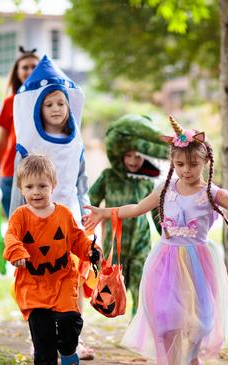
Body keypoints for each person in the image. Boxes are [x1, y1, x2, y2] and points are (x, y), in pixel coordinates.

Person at [83, 116, 228, 365]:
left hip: (199, 261)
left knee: (201, 320)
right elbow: (136, 208)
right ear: (172, 163)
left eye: (193, 164)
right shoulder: (165, 190)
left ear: (206, 162)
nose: (186, 170)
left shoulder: (211, 193)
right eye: (180, 164)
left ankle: (190, 357)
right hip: (165, 261)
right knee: (165, 317)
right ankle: (170, 360)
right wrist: (104, 212)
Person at [9, 55, 95, 360]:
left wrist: (86, 208)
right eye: (49, 104)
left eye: (61, 103)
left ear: (69, 105)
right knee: (39, 281)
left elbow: (81, 178)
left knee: (73, 277)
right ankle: (40, 338)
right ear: (38, 108)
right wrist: (15, 229)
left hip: (69, 215)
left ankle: (73, 341)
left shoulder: (74, 141)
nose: (56, 109)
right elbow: (20, 187)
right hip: (35, 221)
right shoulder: (30, 141)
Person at [4, 154, 101, 365]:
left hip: (62, 279)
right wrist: (17, 252)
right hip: (33, 284)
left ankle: (67, 351)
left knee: (70, 321)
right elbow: (11, 238)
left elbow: (77, 239)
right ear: (21, 188)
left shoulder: (63, 214)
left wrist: (91, 250)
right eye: (29, 187)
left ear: (53, 185)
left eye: (42, 186)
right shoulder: (20, 217)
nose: (36, 192)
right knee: (43, 340)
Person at [87, 114, 169, 315]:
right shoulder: (108, 177)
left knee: (141, 283)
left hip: (141, 241)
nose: (134, 160)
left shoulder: (147, 183)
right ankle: (112, 308)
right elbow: (92, 200)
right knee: (113, 282)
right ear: (121, 155)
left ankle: (139, 322)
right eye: (129, 155)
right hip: (115, 243)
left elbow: (156, 213)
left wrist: (167, 234)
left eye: (138, 156)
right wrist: (86, 223)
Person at [0, 47, 39, 217]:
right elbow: (3, 140)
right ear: (17, 72)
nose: (29, 71)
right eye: (25, 67)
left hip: (40, 173)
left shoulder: (50, 101)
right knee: (16, 227)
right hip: (10, 173)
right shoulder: (9, 102)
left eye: (34, 66)